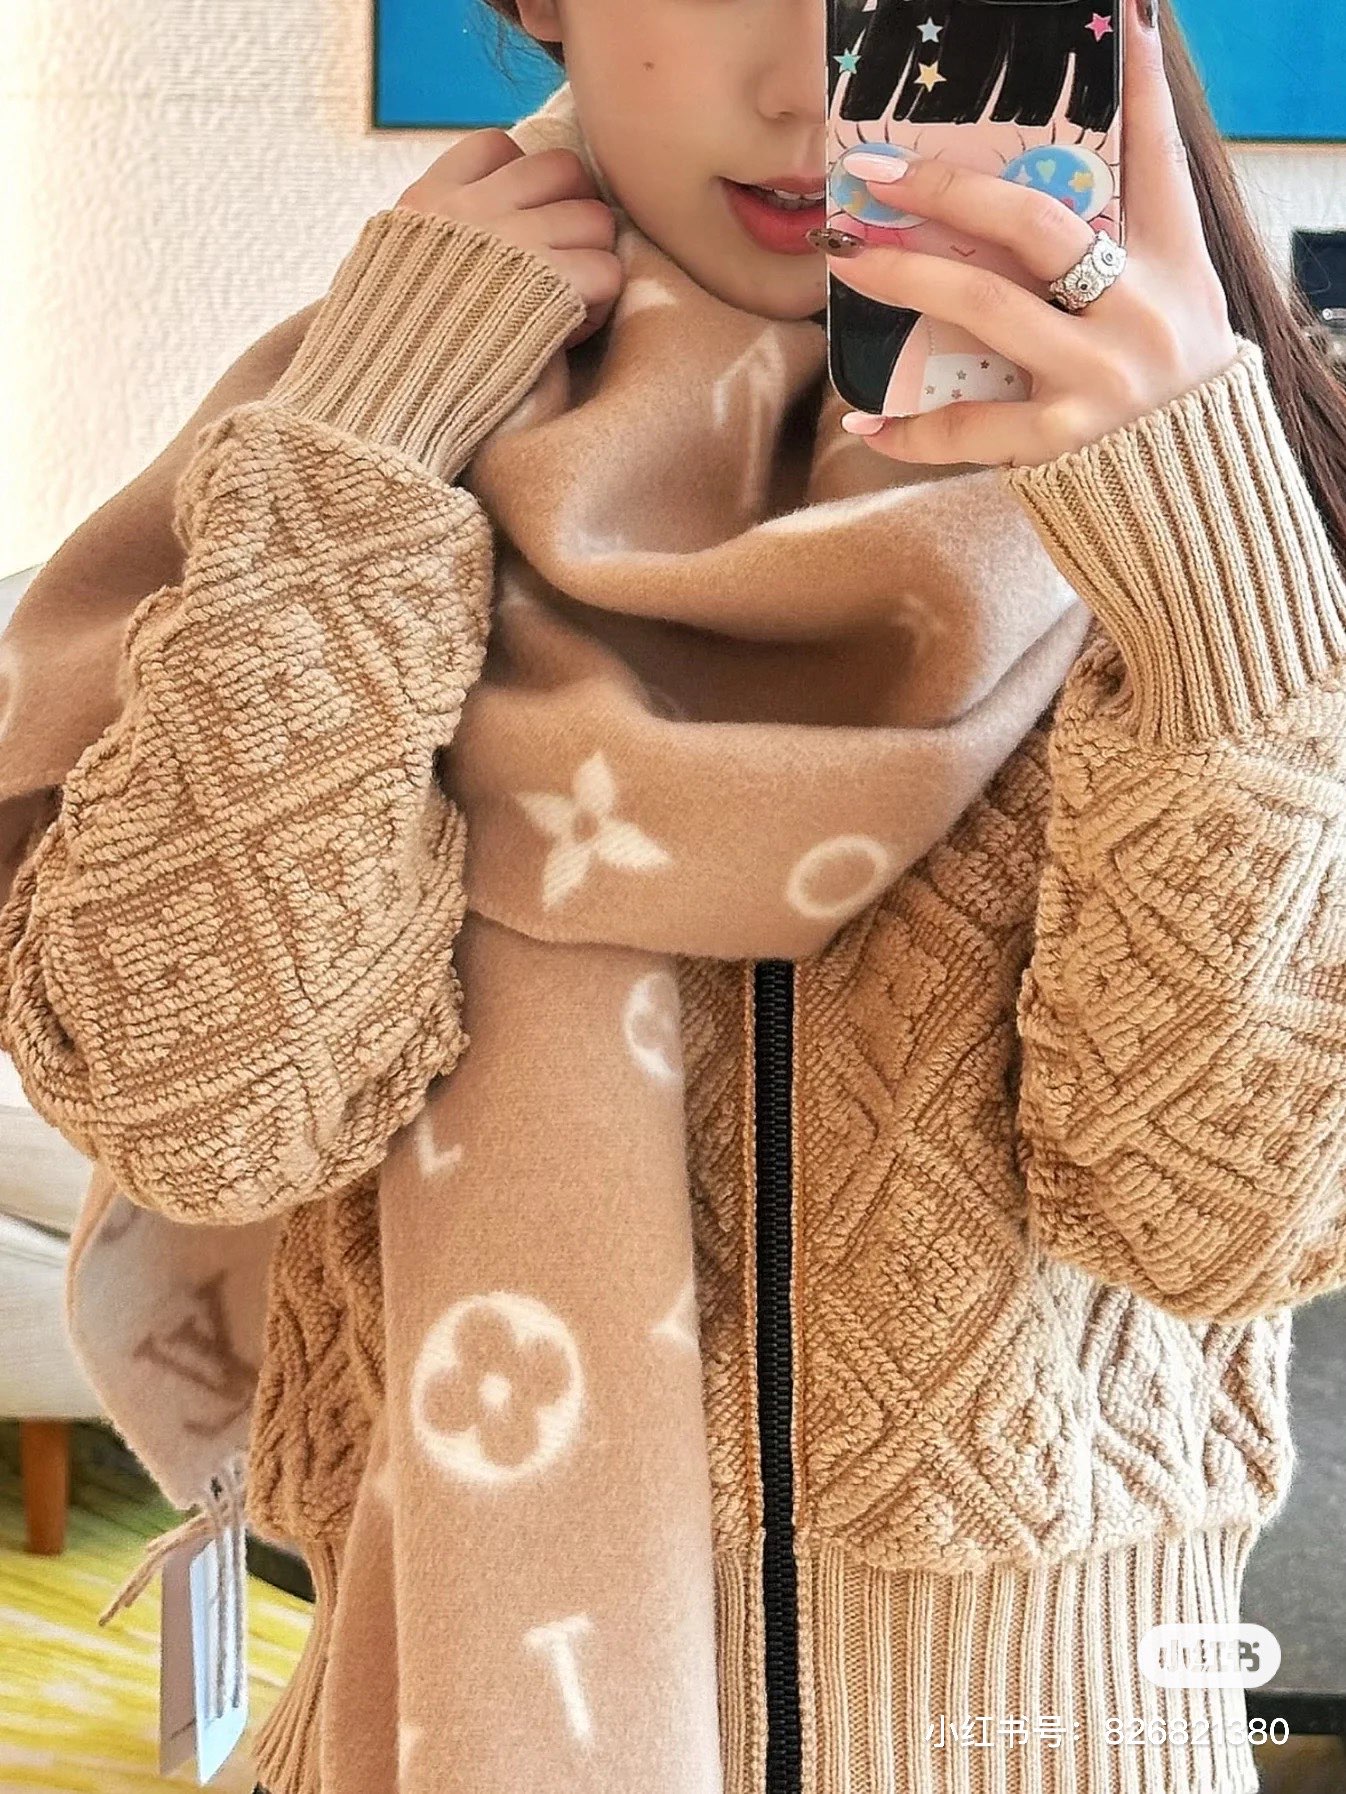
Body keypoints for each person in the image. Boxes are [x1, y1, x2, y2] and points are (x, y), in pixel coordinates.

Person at [2, 0, 1346, 1790]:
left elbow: (1220, 1222)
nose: (808, 91)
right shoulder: (347, 431)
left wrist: (1205, 563)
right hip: (428, 1727)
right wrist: (364, 456)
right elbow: (205, 1114)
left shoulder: (1244, 495)